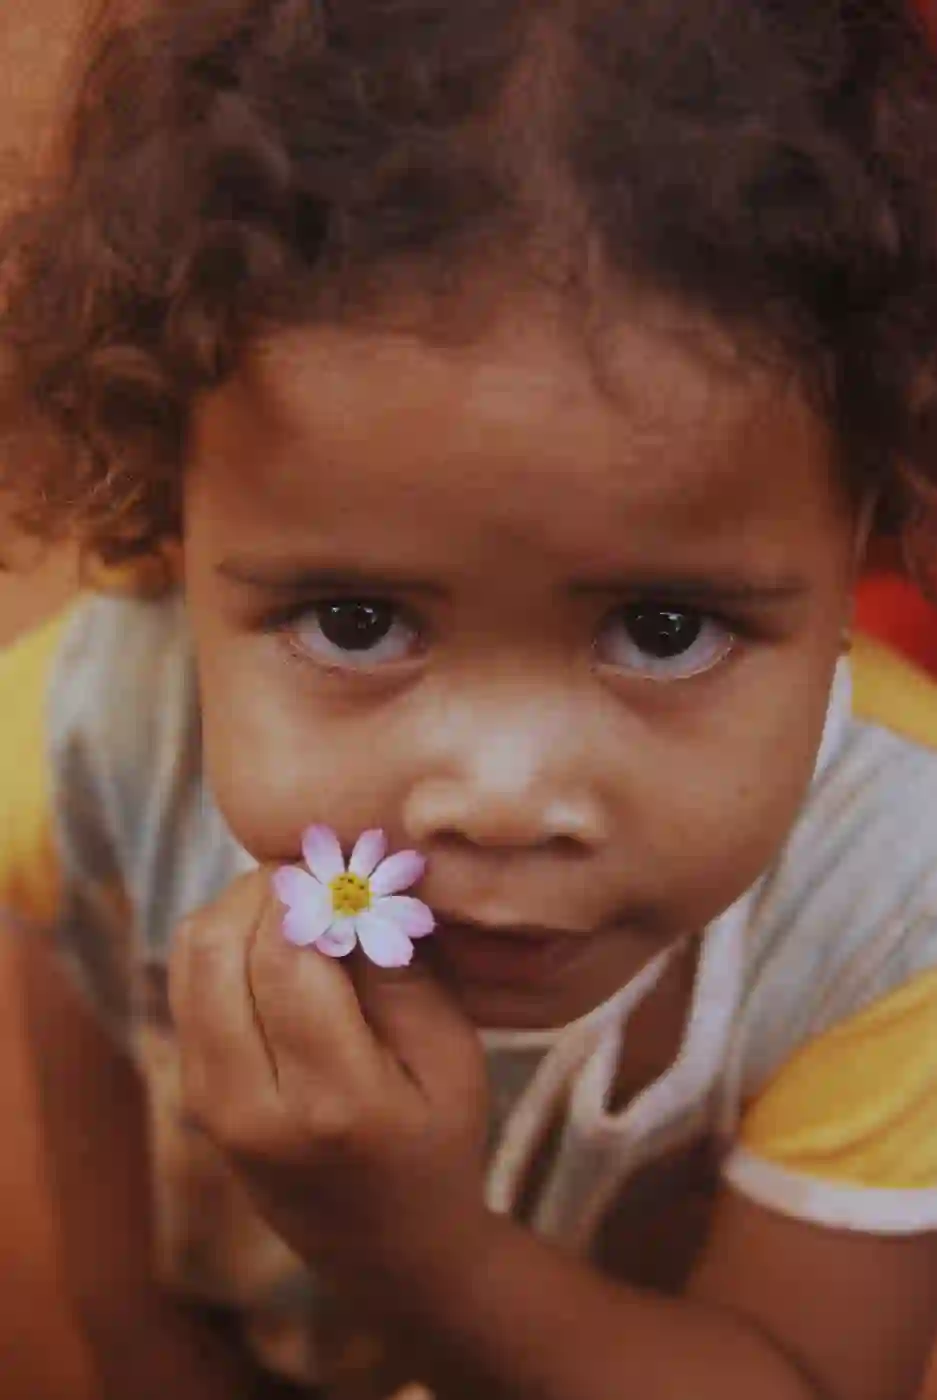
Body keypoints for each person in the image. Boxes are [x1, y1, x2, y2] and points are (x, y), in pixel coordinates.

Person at [2, 1, 937, 1396]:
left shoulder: (898, 908)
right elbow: (107, 1236)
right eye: (357, 619)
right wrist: (136, 1335)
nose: (501, 796)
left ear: (868, 524)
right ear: (174, 521)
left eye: (665, 628)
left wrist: (416, 1253)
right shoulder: (94, 732)